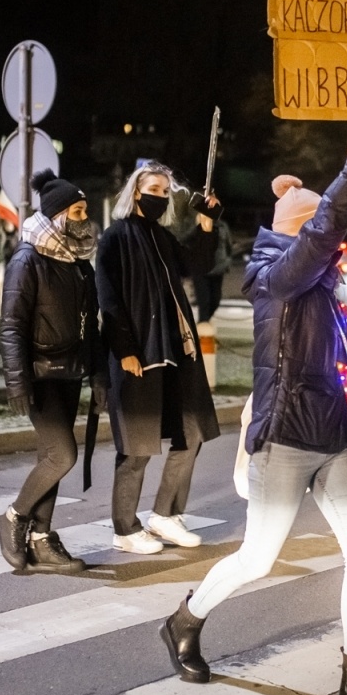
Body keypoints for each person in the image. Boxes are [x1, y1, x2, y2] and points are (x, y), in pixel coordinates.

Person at [159, 99, 347, 695]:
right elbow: (322, 230)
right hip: (283, 438)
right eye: (327, 238)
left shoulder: (324, 288)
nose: (339, 248)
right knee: (258, 557)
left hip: (330, 439)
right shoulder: (277, 276)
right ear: (305, 232)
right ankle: (183, 621)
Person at [96, 163, 221, 553]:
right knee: (137, 446)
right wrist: (125, 350)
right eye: (154, 188)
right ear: (136, 191)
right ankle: (125, 528)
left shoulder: (161, 236)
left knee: (192, 432)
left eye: (166, 191)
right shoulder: (115, 238)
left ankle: (165, 515)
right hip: (140, 356)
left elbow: (194, 265)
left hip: (176, 353)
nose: (161, 196)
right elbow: (109, 299)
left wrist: (205, 223)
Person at [0, 170, 104, 575]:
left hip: (70, 371)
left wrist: (99, 376)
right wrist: (17, 380)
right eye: (77, 210)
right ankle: (12, 517)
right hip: (39, 373)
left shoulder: (79, 263)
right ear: (57, 215)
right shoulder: (28, 259)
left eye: (85, 210)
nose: (83, 217)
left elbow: (90, 325)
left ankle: (41, 539)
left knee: (50, 457)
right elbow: (11, 325)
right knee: (63, 454)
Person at [183, 206, 232, 325]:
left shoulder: (222, 226)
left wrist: (227, 261)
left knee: (215, 300)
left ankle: (203, 326)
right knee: (204, 303)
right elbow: (184, 242)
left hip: (218, 269)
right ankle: (202, 332)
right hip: (201, 271)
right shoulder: (197, 228)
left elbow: (228, 245)